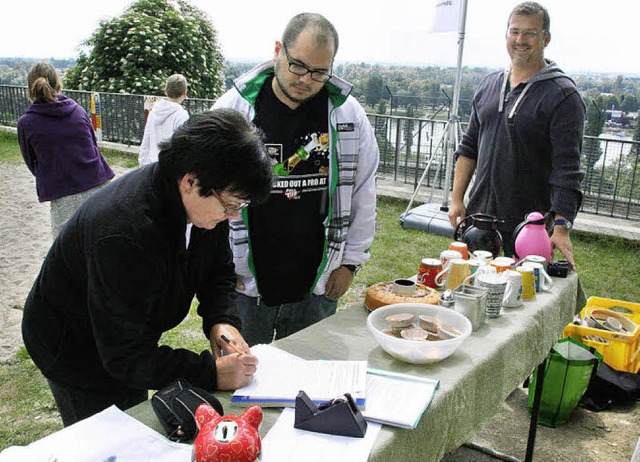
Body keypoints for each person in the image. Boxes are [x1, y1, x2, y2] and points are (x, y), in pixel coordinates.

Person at [21, 109, 273, 426]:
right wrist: (210, 373)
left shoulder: (208, 202)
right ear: (191, 182)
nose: (233, 216)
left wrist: (221, 321)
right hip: (71, 345)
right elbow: (124, 355)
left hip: (124, 335)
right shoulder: (124, 232)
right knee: (106, 433)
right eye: (231, 205)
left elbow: (217, 270)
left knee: (134, 405)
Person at [213, 13, 379, 346]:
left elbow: (364, 189)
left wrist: (350, 263)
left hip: (318, 283)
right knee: (241, 388)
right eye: (298, 66)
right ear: (278, 50)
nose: (306, 79)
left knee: (307, 384)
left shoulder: (347, 115)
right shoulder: (234, 110)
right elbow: (207, 196)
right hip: (245, 285)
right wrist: (216, 271)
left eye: (320, 72)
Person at [448, 2, 585, 268]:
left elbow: (567, 170)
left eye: (530, 33)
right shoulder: (489, 85)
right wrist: (456, 200)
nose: (520, 40)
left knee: (519, 302)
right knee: (468, 290)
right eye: (515, 32)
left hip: (528, 227)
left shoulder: (563, 95)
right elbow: (469, 148)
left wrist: (561, 228)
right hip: (478, 222)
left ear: (546, 38)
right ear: (506, 35)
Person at [18, 62, 115, 239]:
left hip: (63, 193)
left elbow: (32, 162)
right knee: (101, 244)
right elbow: (93, 144)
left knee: (66, 256)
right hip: (98, 183)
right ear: (58, 84)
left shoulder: (27, 123)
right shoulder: (77, 110)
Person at [139, 73, 189, 166]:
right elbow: (182, 145)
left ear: (165, 91)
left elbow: (146, 138)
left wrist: (142, 163)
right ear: (184, 93)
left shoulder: (154, 110)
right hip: (169, 165)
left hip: (152, 163)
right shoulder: (181, 115)